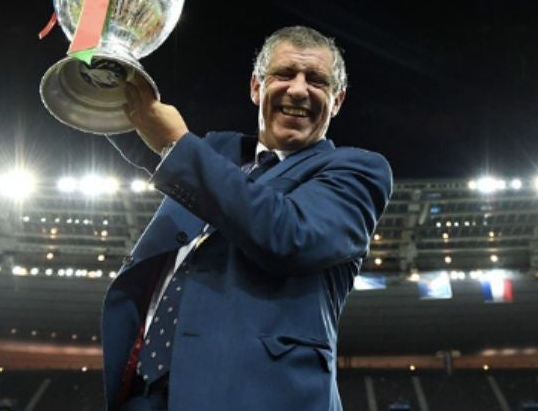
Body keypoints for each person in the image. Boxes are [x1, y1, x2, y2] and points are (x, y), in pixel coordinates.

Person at [101, 26, 393, 411]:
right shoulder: (218, 152)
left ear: (337, 101)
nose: (299, 89)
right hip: (143, 394)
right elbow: (129, 119)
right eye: (284, 74)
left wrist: (180, 146)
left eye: (317, 81)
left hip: (257, 395)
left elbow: (289, 234)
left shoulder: (356, 171)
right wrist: (99, 43)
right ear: (256, 87)